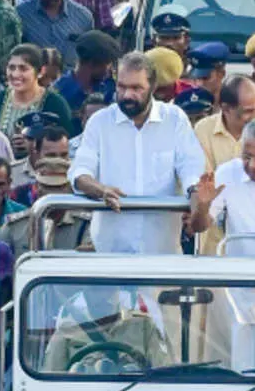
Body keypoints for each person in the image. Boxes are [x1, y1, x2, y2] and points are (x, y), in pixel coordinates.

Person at [70, 52, 206, 255]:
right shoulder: (100, 122)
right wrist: (100, 190)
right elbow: (80, 171)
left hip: (161, 253)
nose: (127, 95)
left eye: (136, 88)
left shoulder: (174, 118)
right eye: (122, 87)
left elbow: (190, 167)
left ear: (152, 87)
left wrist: (196, 197)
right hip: (110, 253)